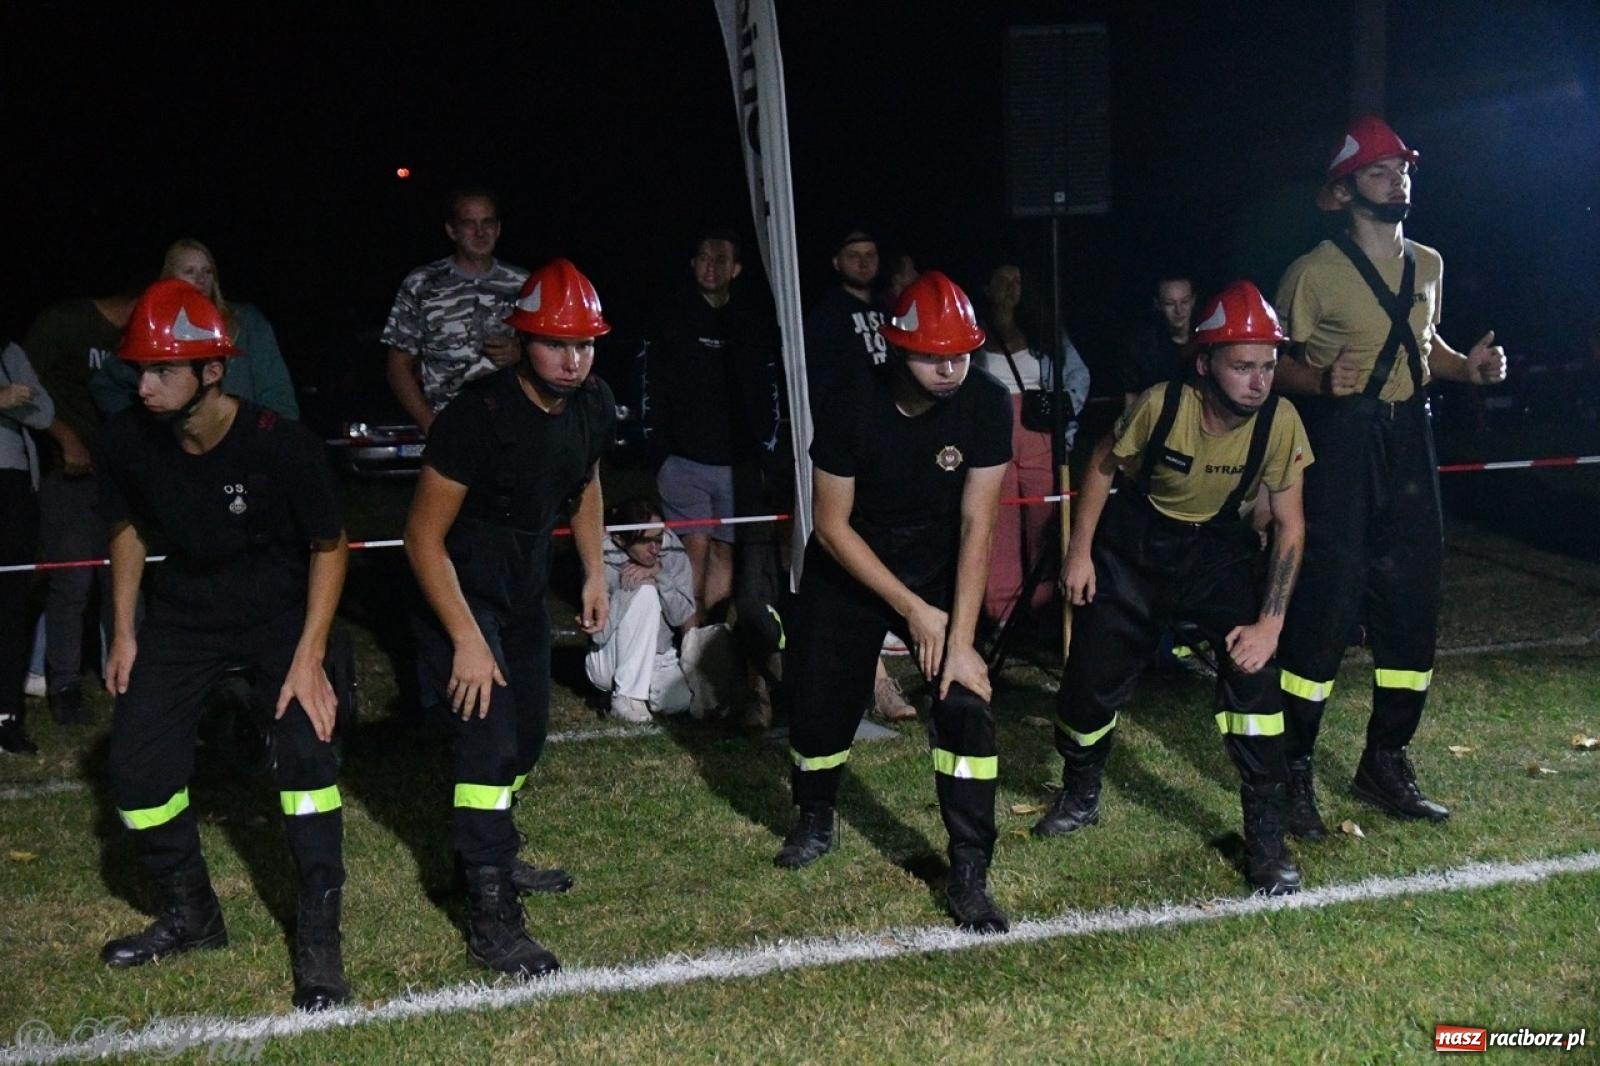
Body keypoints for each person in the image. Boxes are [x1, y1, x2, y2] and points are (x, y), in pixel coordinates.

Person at [97, 280, 351, 1010]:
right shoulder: (126, 439)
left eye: (161, 370)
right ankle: (192, 916)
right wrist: (124, 630)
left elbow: (330, 546)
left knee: (306, 759)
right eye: (138, 369)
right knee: (139, 775)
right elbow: (127, 528)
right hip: (184, 619)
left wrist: (309, 659)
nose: (142, 385)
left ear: (212, 371)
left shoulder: (282, 446)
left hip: (281, 618)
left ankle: (318, 942)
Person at [1032, 282, 1312, 895]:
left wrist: (1270, 624)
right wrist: (1079, 554)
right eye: (1242, 366)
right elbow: (1103, 463)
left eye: (1268, 366)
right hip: (1135, 550)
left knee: (1255, 683)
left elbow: (1291, 526)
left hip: (1216, 556)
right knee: (1089, 685)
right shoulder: (1161, 405)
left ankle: (1266, 835)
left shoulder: (1281, 420)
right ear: (1205, 363)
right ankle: (1081, 790)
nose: (1258, 381)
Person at [1271, 116, 1506, 834]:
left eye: (1401, 169)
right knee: (1328, 605)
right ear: (1343, 192)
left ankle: (1386, 760)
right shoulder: (1311, 271)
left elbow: (1421, 344)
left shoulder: (1428, 264)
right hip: (1340, 443)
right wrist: (1318, 378)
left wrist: (1465, 368)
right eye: (1379, 171)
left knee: (1412, 600)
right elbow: (1268, 366)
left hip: (1411, 441)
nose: (1396, 178)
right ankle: (1292, 770)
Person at [776, 270, 1014, 933]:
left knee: (966, 704)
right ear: (896, 347)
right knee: (821, 707)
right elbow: (830, 524)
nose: (949, 370)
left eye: (960, 355)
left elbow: (978, 526)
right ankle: (815, 815)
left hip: (938, 566)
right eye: (933, 356)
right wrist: (910, 608)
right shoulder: (850, 401)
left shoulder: (988, 404)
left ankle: (969, 868)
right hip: (851, 566)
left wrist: (959, 642)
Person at [404, 258, 615, 977]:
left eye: (585, 343)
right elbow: (421, 537)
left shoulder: (593, 404)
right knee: (489, 743)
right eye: (557, 343)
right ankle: (490, 915)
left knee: (525, 742)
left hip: (523, 593)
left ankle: (492, 849)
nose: (573, 357)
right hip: (461, 594)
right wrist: (464, 638)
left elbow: (586, 482)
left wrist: (592, 571)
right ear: (523, 341)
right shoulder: (477, 416)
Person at [802, 228, 915, 721]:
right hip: (847, 456)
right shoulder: (827, 315)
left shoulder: (891, 310)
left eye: (872, 254)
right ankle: (873, 682)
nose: (865, 263)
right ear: (836, 261)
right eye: (854, 255)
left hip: (892, 452)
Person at [641, 228, 782, 625]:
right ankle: (689, 634)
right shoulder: (671, 316)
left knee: (724, 550)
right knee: (693, 547)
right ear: (692, 263)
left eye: (721, 259)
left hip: (738, 466)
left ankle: (715, 636)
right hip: (683, 461)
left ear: (736, 269)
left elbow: (769, 390)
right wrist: (658, 453)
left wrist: (764, 454)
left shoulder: (752, 323)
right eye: (704, 256)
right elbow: (650, 383)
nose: (711, 266)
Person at [23, 280, 140, 726]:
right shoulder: (65, 323)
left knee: (124, 581)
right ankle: (64, 683)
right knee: (71, 581)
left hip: (122, 478)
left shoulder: (140, 344)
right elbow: (24, 385)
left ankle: (128, 675)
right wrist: (64, 435)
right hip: (70, 476)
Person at [973, 262, 1091, 624]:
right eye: (1003, 280)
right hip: (993, 434)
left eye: (1018, 280)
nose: (1011, 287)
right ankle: (1003, 612)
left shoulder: (1044, 331)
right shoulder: (975, 334)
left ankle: (1044, 609)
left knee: (1045, 522)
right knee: (1000, 520)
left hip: (1038, 433)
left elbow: (1078, 376)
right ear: (988, 287)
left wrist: (1063, 421)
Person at [91, 239, 299, 419]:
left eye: (207, 271)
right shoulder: (153, 328)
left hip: (243, 445)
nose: (201, 279)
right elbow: (107, 385)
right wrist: (143, 432)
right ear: (169, 278)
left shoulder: (247, 320)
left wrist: (269, 442)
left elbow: (279, 396)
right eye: (189, 271)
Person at [383, 186, 529, 434]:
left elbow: (551, 357)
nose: (480, 232)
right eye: (469, 224)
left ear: (499, 228)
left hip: (512, 429)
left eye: (487, 222)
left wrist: (520, 352)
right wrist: (431, 426)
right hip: (450, 428)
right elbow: (397, 367)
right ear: (452, 230)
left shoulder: (524, 283)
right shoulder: (422, 283)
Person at [585, 498, 695, 722]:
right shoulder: (600, 559)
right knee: (644, 591)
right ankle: (627, 696)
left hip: (658, 654)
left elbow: (681, 615)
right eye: (645, 541)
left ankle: (635, 690)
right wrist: (629, 590)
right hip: (608, 655)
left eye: (658, 539)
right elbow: (599, 634)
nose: (655, 548)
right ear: (619, 538)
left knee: (679, 701)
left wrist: (660, 575)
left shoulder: (671, 549)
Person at [0, 340, 54, 755]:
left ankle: (6, 716)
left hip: (13, 487)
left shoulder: (9, 352)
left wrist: (13, 403)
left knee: (11, 606)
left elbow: (44, 412)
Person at [1124, 275, 1197, 409]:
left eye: (1184, 302)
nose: (1179, 310)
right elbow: (1132, 394)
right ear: (1158, 305)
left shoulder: (1207, 341)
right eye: (1170, 303)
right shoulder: (1143, 347)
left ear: (1193, 300)